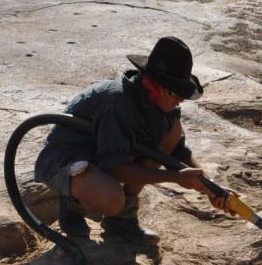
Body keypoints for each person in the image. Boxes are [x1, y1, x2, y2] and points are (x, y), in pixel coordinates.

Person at [33, 36, 224, 249]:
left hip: (105, 155)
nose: (182, 100)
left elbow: (177, 150)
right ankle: (72, 207)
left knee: (171, 132)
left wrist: (211, 187)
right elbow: (115, 168)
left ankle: (121, 221)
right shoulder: (116, 102)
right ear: (156, 87)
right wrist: (174, 177)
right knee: (112, 198)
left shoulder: (162, 106)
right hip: (68, 162)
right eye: (178, 93)